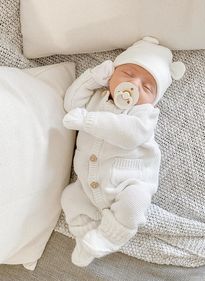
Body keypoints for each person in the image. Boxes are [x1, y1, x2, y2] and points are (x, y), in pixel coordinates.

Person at [61, 37, 186, 267]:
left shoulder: (144, 115)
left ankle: (108, 238)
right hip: (87, 185)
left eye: (147, 87)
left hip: (128, 183)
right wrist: (93, 77)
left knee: (135, 202)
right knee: (70, 197)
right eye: (128, 74)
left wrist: (88, 121)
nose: (135, 85)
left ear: (154, 102)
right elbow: (71, 104)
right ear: (112, 74)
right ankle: (85, 237)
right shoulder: (97, 97)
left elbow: (130, 135)